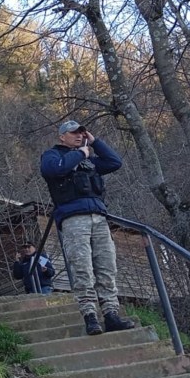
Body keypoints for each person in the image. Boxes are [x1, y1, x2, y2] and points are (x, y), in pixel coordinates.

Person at [40, 120, 134, 336]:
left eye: (81, 133)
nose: (79, 136)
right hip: (73, 220)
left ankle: (111, 314)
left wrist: (95, 142)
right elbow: (53, 170)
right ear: (62, 136)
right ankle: (90, 316)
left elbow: (114, 162)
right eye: (73, 133)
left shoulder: (90, 161)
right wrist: (81, 154)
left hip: (99, 218)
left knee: (107, 267)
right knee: (82, 268)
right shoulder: (53, 155)